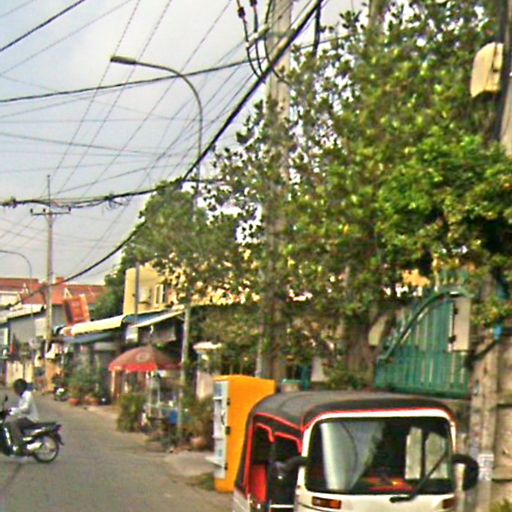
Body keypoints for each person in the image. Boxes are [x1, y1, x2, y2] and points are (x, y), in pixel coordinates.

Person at [7, 378, 39, 455]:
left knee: (13, 425)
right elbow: (20, 410)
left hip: (31, 418)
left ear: (21, 387)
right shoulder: (22, 396)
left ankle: (22, 447)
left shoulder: (27, 395)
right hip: (25, 418)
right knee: (9, 424)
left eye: (16, 388)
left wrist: (13, 410)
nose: (15, 390)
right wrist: (9, 412)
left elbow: (25, 408)